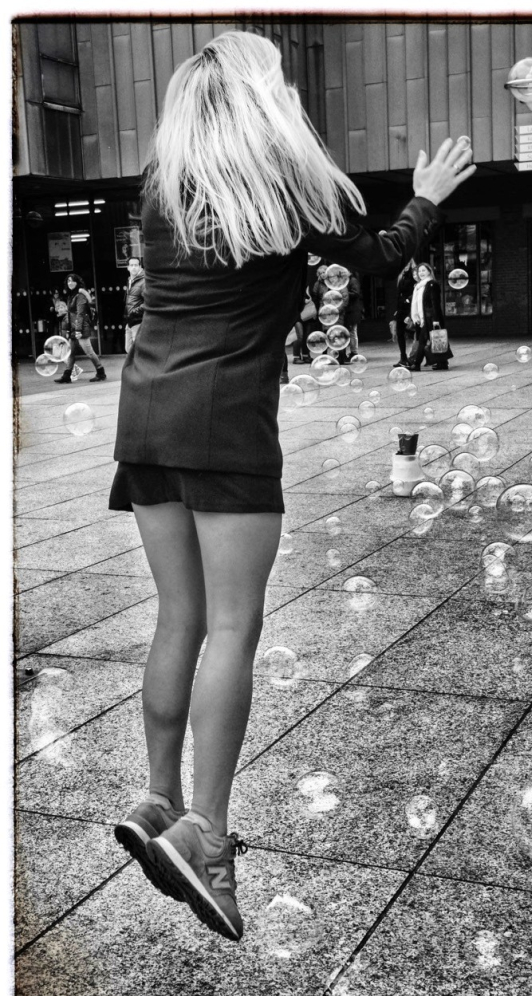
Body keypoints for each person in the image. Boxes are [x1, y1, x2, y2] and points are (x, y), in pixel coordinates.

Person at [107, 30, 474, 942]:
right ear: (262, 98)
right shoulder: (278, 183)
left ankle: (156, 803)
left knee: (178, 619)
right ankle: (209, 835)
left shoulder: (164, 186)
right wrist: (426, 201)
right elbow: (375, 257)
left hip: (146, 414)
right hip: (227, 421)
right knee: (234, 625)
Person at [55, 273, 105, 383]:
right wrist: (70, 329)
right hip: (74, 328)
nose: (70, 283)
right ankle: (67, 376)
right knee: (71, 353)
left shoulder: (80, 295)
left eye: (72, 281)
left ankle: (101, 372)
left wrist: (78, 330)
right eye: (68, 281)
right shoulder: (71, 295)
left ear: (77, 282)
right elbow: (71, 314)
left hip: (81, 328)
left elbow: (80, 314)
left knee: (89, 352)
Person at [407, 263, 450, 371]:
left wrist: (436, 320)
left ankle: (417, 364)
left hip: (431, 317)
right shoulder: (420, 286)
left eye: (423, 271)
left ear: (429, 272)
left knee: (429, 340)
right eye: (419, 271)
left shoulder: (432, 284)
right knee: (436, 340)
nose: (421, 273)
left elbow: (435, 303)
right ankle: (442, 363)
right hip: (425, 317)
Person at [392, 258, 416, 368]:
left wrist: (408, 299)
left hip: (410, 308)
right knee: (400, 333)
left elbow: (417, 290)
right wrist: (397, 309)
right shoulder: (402, 275)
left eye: (408, 263)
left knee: (417, 333)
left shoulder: (414, 275)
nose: (405, 265)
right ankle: (403, 358)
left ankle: (416, 357)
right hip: (401, 309)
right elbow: (398, 294)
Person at [124, 256, 146, 355]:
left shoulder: (143, 281)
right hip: (130, 321)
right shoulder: (130, 281)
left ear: (140, 267)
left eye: (136, 265)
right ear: (128, 267)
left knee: (137, 350)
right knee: (128, 348)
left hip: (138, 320)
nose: (134, 267)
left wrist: (134, 312)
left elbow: (149, 302)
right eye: (131, 265)